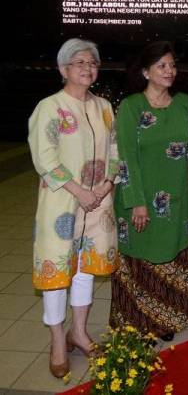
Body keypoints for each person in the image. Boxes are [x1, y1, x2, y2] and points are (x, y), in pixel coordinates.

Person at [28, 38, 119, 377]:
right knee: (57, 273)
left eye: (92, 63)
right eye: (79, 62)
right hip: (63, 204)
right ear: (63, 69)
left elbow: (116, 150)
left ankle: (79, 333)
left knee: (84, 269)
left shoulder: (104, 107)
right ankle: (56, 340)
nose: (87, 68)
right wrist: (79, 191)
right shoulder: (50, 107)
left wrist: (107, 184)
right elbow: (44, 158)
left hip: (98, 204)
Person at [109, 41, 188, 341]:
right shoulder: (131, 107)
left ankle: (166, 319)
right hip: (140, 199)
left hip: (176, 199)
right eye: (162, 66)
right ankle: (138, 323)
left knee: (171, 256)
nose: (169, 71)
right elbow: (126, 158)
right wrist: (137, 202)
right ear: (146, 72)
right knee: (140, 260)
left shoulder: (185, 103)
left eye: (172, 65)